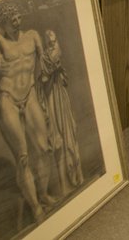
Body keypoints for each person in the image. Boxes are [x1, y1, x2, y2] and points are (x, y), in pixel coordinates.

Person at [0, 3, 54, 222]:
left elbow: (44, 64)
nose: (18, 23)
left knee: (43, 148)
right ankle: (35, 207)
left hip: (30, 94)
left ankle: (43, 194)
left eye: (19, 18)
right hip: (8, 99)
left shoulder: (32, 36)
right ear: (3, 24)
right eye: (12, 21)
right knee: (23, 157)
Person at [38, 30, 83, 197]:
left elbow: (57, 66)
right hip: (51, 99)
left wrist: (53, 67)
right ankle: (64, 184)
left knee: (69, 134)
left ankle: (76, 176)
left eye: (54, 42)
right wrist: (50, 68)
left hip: (61, 98)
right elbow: (44, 78)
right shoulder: (44, 58)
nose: (52, 45)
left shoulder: (53, 57)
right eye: (49, 43)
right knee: (58, 139)